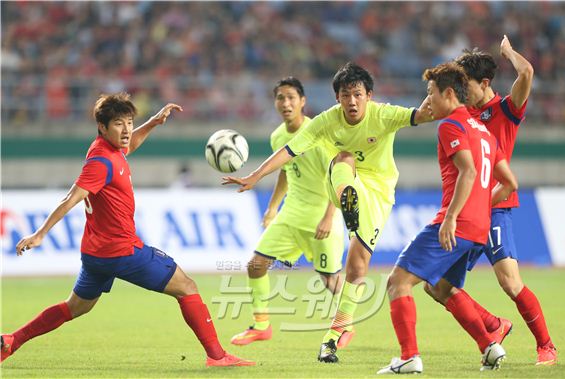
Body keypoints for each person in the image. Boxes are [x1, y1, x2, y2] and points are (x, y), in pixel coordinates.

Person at [1, 93, 254, 368]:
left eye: (130, 122)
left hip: (96, 253)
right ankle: (217, 356)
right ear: (102, 127)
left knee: (75, 307)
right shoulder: (100, 162)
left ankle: (12, 340)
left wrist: (154, 122)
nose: (126, 130)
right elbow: (70, 198)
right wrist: (40, 234)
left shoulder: (108, 148)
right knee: (187, 286)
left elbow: (130, 144)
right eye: (119, 124)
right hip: (121, 250)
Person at [222, 62, 433, 362]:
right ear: (337, 98)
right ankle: (264, 324)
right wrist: (256, 176)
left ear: (368, 96)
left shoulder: (383, 114)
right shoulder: (323, 123)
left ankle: (336, 332)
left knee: (356, 269)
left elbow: (422, 115)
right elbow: (289, 156)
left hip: (377, 193)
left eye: (357, 94)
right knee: (343, 158)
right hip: (335, 189)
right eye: (345, 95)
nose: (352, 101)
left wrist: (443, 95)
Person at [424, 35, 557, 366]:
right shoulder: (464, 114)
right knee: (434, 283)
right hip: (466, 211)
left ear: (484, 82)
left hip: (496, 208)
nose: (463, 91)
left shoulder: (506, 109)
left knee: (510, 282)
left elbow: (525, 74)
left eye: (467, 84)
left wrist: (510, 52)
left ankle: (546, 346)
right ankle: (494, 325)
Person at [377, 62, 518, 374]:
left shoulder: (451, 125)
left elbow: (468, 171)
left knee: (397, 282)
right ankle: (489, 346)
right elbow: (509, 183)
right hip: (479, 228)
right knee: (440, 286)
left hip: (457, 222)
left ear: (450, 93)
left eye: (430, 94)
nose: (427, 102)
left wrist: (452, 217)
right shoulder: (483, 130)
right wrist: (480, 209)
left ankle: (409, 356)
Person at [230, 77, 345, 346]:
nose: (286, 103)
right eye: (280, 98)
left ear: (303, 101)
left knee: (330, 280)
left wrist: (330, 215)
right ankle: (261, 326)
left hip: (321, 216)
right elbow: (285, 170)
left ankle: (344, 325)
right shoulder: (278, 136)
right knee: (256, 265)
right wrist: (272, 208)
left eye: (291, 97)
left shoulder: (318, 133)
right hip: (291, 214)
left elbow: (338, 174)